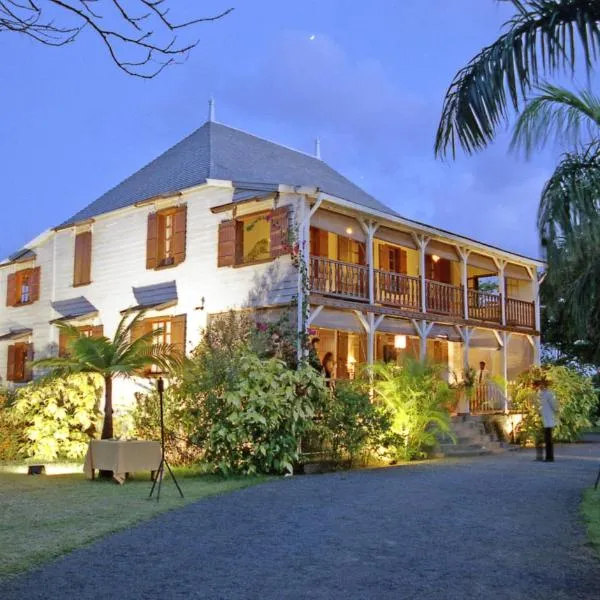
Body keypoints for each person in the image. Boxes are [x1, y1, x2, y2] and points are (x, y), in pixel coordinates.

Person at [537, 375, 559, 462]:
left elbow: (554, 405)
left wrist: (556, 411)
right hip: (544, 418)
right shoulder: (541, 394)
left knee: (548, 439)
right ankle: (546, 456)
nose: (540, 386)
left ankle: (550, 457)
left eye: (542, 384)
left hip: (549, 418)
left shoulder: (549, 394)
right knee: (546, 438)